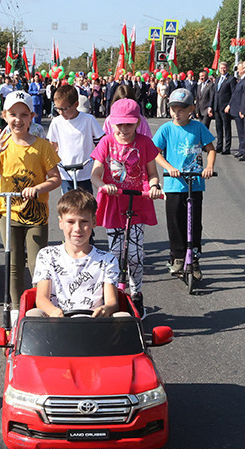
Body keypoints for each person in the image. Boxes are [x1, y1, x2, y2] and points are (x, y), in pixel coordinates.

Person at [0, 91, 62, 310]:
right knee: (14, 265)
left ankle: (41, 308)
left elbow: (55, 179)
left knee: (37, 265)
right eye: (13, 114)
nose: (18, 120)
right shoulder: (2, 144)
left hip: (37, 214)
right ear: (4, 115)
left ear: (32, 116)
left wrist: (37, 188)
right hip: (9, 212)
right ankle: (16, 310)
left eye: (23, 114)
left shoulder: (43, 146)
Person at [90, 98, 163, 317]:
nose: (124, 129)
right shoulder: (107, 142)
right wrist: (103, 185)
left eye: (129, 124)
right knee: (115, 253)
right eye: (120, 124)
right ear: (112, 123)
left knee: (135, 254)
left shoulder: (144, 142)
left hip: (137, 202)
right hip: (114, 202)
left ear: (137, 122)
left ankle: (136, 293)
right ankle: (114, 295)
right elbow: (95, 173)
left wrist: (154, 186)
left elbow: (151, 173)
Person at [27, 190, 131, 318]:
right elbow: (42, 298)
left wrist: (105, 309)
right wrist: (53, 311)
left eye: (84, 222)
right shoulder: (47, 255)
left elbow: (112, 302)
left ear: (94, 222)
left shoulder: (107, 260)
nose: (77, 228)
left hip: (94, 324)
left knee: (124, 316)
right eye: (70, 222)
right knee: (33, 314)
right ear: (61, 223)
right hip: (56, 323)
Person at [152, 88, 216, 280]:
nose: (176, 113)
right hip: (173, 184)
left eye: (181, 109)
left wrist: (209, 167)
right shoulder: (166, 129)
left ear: (191, 109)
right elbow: (155, 152)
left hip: (194, 183)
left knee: (195, 223)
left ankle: (194, 258)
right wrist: (169, 167)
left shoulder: (198, 128)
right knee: (175, 222)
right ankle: (177, 257)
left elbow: (211, 149)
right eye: (173, 109)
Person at [47, 84, 105, 194]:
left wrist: (96, 160)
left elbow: (101, 142)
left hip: (85, 171)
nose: (61, 112)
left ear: (76, 104)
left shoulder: (88, 120)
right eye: (58, 108)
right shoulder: (56, 122)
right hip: (65, 171)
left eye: (64, 109)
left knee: (86, 204)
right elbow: (52, 145)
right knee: (68, 205)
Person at [209, 61, 236, 155]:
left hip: (225, 107)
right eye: (221, 68)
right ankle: (219, 146)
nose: (222, 70)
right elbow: (214, 93)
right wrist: (210, 106)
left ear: (227, 68)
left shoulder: (231, 79)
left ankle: (227, 147)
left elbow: (234, 94)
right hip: (217, 107)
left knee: (227, 128)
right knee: (218, 128)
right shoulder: (217, 79)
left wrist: (229, 105)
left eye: (224, 68)